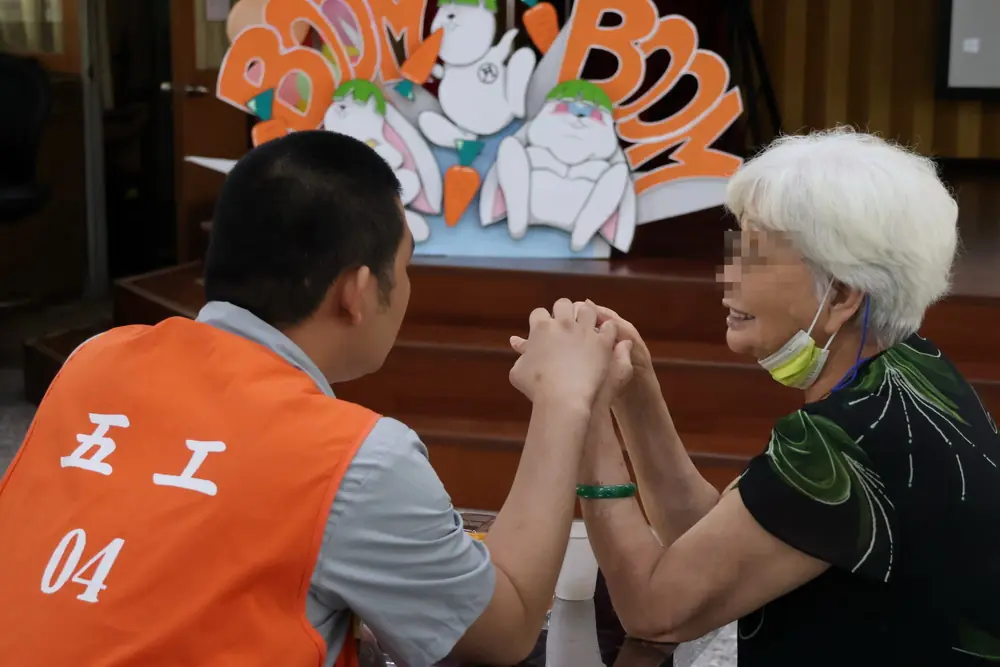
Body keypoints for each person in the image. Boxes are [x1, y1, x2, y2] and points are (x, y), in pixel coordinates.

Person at [0, 131, 623, 667]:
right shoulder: (354, 459)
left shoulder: (96, 359)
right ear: (356, 291)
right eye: (405, 266)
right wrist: (563, 399)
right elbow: (507, 627)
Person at [512, 128, 1000, 665]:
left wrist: (579, 410)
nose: (728, 277)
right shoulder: (914, 373)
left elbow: (655, 612)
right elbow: (715, 544)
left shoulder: (843, 440)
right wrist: (635, 393)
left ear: (840, 295)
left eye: (755, 258)